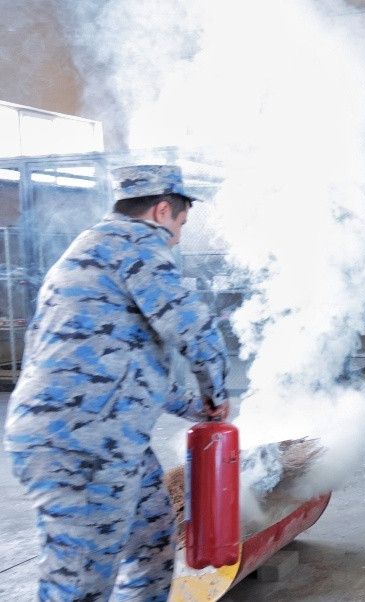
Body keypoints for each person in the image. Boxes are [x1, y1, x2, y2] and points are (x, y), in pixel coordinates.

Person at [4, 165, 231, 601]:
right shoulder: (138, 245)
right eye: (180, 224)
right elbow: (195, 330)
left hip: (101, 433)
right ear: (163, 210)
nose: (178, 237)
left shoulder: (92, 247)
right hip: (79, 441)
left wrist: (196, 408)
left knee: (152, 533)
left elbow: (122, 361)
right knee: (80, 582)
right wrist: (217, 392)